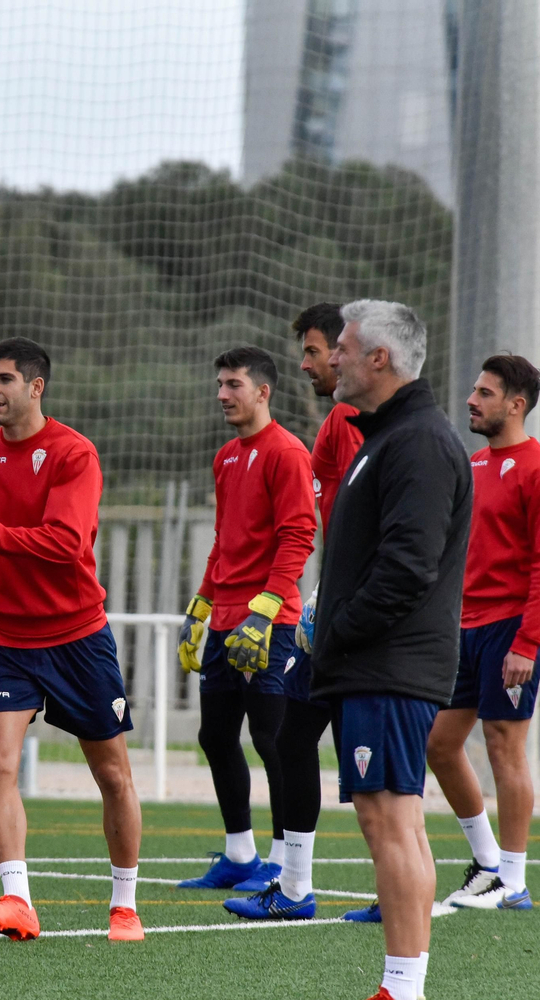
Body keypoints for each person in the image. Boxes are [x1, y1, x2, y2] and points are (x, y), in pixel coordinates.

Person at [0, 337, 144, 942]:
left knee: (111, 775)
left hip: (77, 636)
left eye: (4, 379)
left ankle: (124, 904)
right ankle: (17, 899)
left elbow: (64, 543)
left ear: (35, 387)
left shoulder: (73, 453)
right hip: (5, 639)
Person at [310, 300, 471, 1000]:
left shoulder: (417, 442)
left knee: (392, 821)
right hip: (373, 663)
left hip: (389, 663)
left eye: (342, 347)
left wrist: (338, 630)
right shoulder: (385, 436)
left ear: (380, 359)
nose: (332, 357)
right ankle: (403, 992)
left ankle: (403, 997)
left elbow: (409, 565)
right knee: (390, 821)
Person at [219, 303, 366, 920]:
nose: (308, 363)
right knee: (289, 736)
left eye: (313, 351)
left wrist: (278, 602)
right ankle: (291, 884)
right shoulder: (334, 424)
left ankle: (483, 868)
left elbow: (313, 530)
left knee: (376, 761)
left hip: (365, 620)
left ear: (346, 351)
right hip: (327, 612)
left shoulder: (368, 427)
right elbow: (334, 522)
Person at [427, 354, 540, 911]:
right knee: (439, 744)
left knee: (504, 747)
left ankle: (513, 881)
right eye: (474, 389)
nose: (471, 399)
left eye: (485, 393)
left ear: (516, 405)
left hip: (513, 630)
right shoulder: (473, 466)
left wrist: (527, 644)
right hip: (463, 628)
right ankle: (488, 863)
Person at [175, 347, 316, 909]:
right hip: (228, 621)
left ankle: (283, 864)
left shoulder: (287, 452)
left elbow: (298, 536)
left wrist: (265, 608)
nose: (222, 394)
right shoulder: (227, 456)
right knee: (215, 736)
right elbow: (224, 540)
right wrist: (201, 606)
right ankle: (240, 857)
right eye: (219, 384)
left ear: (263, 391)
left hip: (269, 623)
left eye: (233, 384)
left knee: (272, 741)